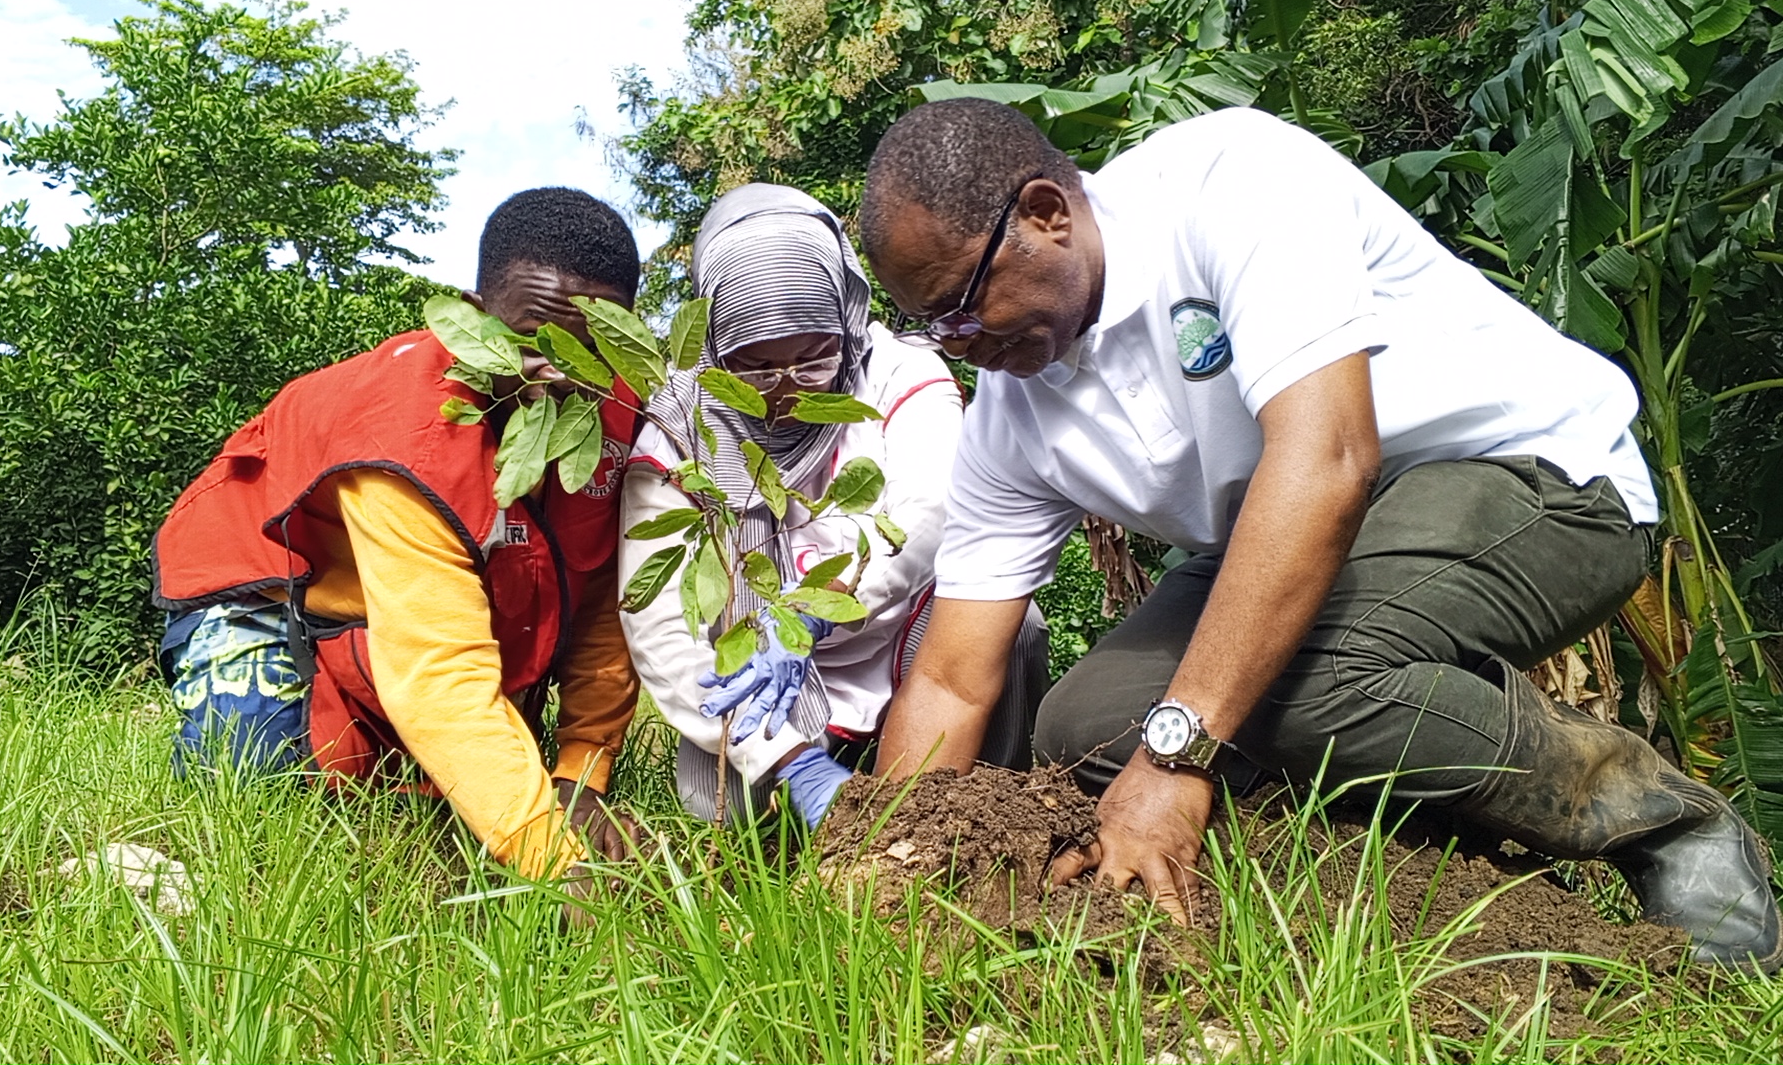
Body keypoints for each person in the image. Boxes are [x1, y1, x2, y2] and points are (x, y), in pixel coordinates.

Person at [853, 99, 1781, 971]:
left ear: (1047, 212)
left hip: (1534, 477)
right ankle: (1420, 868)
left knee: (1295, 682)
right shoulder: (1011, 415)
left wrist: (1176, 758)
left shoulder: (1228, 181)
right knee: (1086, 723)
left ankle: (1660, 820)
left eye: (966, 300)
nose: (960, 340)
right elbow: (949, 676)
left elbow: (1329, 458)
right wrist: (884, 855)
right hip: (1301, 537)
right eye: (934, 325)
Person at [152, 188, 645, 875]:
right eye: (533, 344)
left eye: (593, 351)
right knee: (252, 791)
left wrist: (581, 774)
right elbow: (439, 672)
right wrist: (557, 866)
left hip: (430, 612)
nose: (563, 376)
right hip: (273, 594)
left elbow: (596, 602)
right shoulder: (407, 436)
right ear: (473, 320)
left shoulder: (623, 410)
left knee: (459, 796)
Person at [620, 184, 1049, 826]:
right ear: (713, 348)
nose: (786, 390)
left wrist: (813, 614)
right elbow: (658, 622)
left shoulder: (900, 375)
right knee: (738, 813)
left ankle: (980, 804)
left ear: (844, 322)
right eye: (755, 368)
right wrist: (789, 761)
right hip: (765, 678)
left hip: (898, 639)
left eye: (812, 358)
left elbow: (928, 515)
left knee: (1013, 623)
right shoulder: (681, 430)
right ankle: (798, 768)